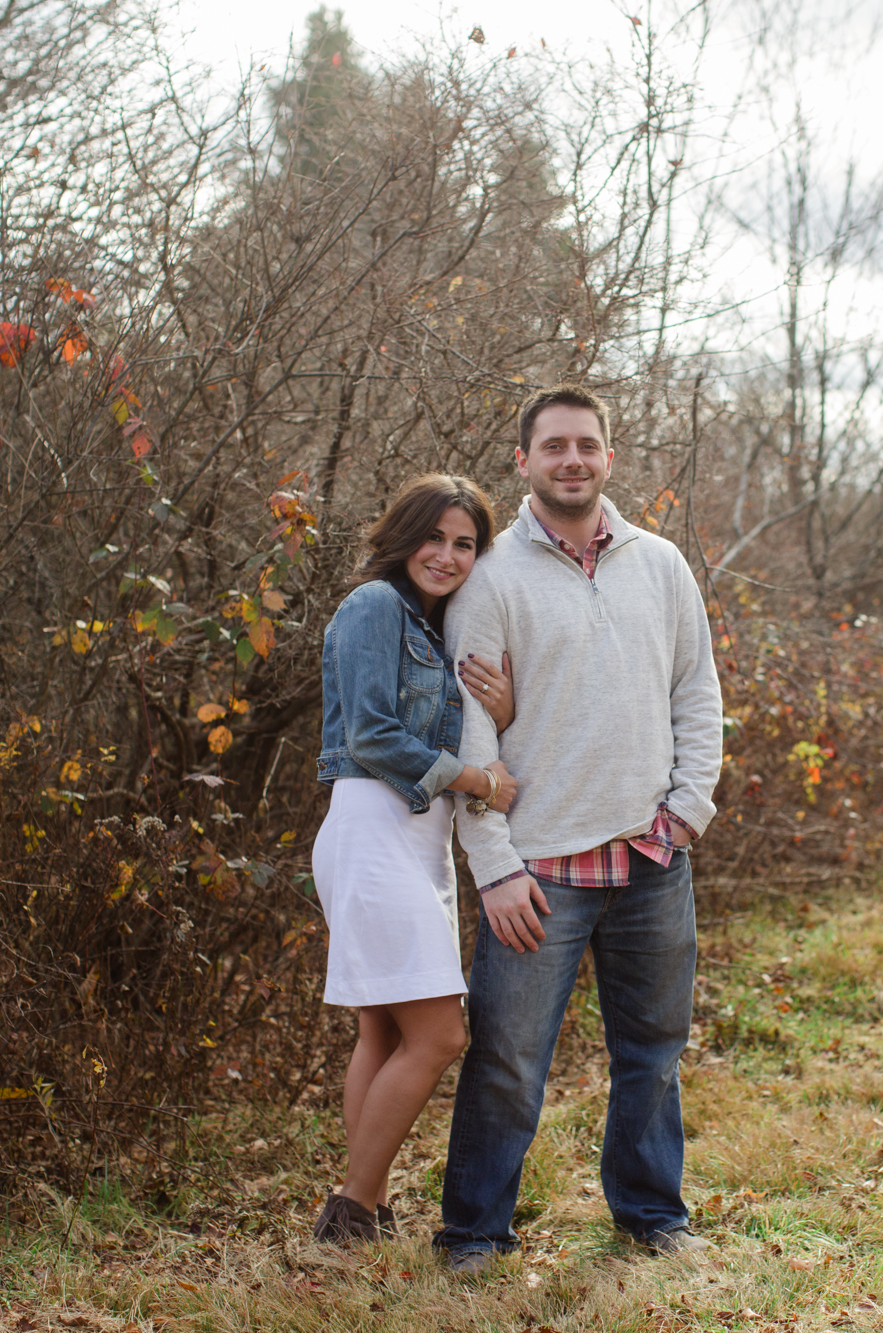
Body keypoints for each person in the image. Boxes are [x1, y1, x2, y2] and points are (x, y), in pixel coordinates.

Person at [435, 384, 725, 1271]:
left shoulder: (662, 563)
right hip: (539, 872)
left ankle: (650, 1213)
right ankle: (475, 1232)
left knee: (654, 1052)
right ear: (522, 461)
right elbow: (467, 737)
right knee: (507, 1063)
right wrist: (495, 867)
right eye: (553, 445)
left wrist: (686, 813)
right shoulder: (488, 579)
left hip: (649, 857)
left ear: (610, 456)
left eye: (586, 445)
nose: (572, 459)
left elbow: (697, 692)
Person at [309, 473, 519, 1245]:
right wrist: (478, 781)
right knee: (438, 1036)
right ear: (402, 535)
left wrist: (495, 714)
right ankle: (353, 1207)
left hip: (414, 835)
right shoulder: (374, 606)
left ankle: (367, 1205)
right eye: (434, 537)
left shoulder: (430, 628)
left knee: (385, 1033)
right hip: (373, 827)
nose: (448, 555)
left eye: (465, 543)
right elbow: (369, 733)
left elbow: (441, 722)